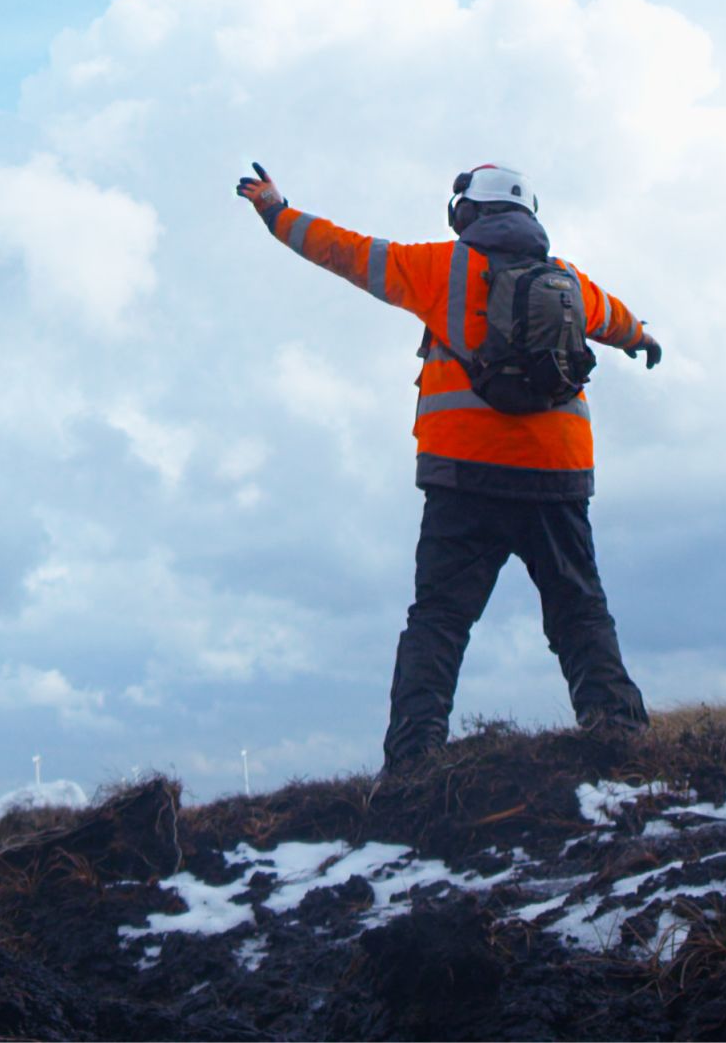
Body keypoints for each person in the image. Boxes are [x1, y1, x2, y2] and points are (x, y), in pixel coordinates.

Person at [236, 159, 660, 772]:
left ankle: (413, 762)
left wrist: (276, 210)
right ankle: (621, 740)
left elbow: (344, 252)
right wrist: (643, 338)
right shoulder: (567, 278)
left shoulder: (437, 266)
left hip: (464, 476)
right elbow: (616, 319)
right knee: (580, 611)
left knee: (438, 621)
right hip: (557, 476)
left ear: (466, 212)